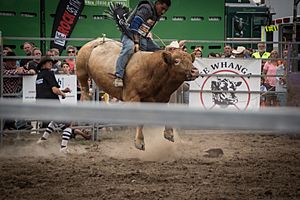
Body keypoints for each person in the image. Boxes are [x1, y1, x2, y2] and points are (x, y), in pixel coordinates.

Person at [113, 0, 171, 87]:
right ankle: (118, 76)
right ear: (158, 3)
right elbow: (135, 24)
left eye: (165, 10)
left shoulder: (156, 15)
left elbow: (144, 28)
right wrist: (136, 42)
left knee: (159, 52)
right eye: (162, 8)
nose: (163, 12)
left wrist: (146, 35)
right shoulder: (146, 8)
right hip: (129, 35)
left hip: (142, 38)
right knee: (129, 48)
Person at [35, 56, 74, 152]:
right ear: (44, 64)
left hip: (41, 105)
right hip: (51, 104)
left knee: (55, 120)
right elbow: (54, 90)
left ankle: (42, 140)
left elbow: (47, 90)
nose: (51, 64)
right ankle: (63, 148)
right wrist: (63, 94)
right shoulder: (49, 73)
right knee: (69, 123)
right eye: (49, 62)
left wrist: (63, 90)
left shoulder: (39, 75)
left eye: (51, 62)